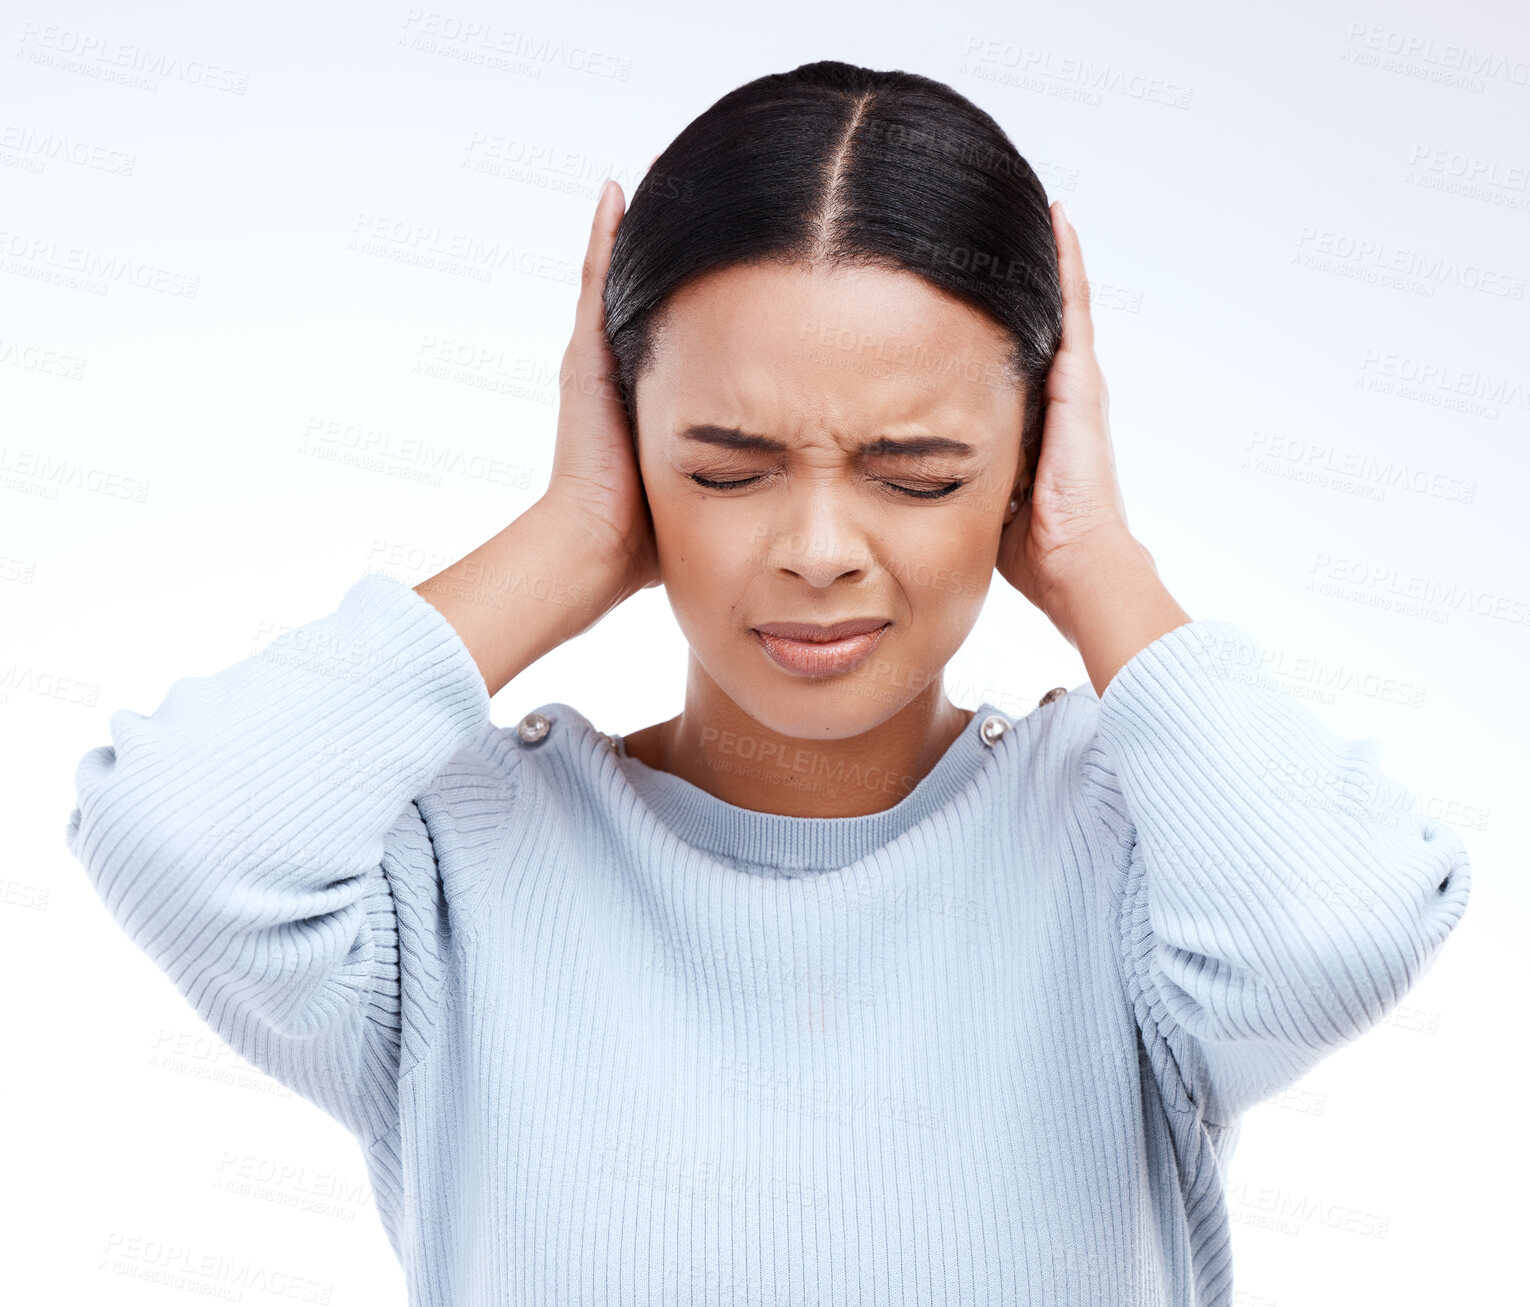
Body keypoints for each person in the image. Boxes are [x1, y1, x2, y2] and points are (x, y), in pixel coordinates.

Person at [66, 61, 1470, 1307]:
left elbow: (1333, 930)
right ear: (623, 436)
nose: (814, 552)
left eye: (916, 474)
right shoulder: (460, 868)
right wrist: (565, 537)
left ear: (1034, 456)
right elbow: (176, 833)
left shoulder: (1130, 848)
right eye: (724, 470)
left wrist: (1096, 557)